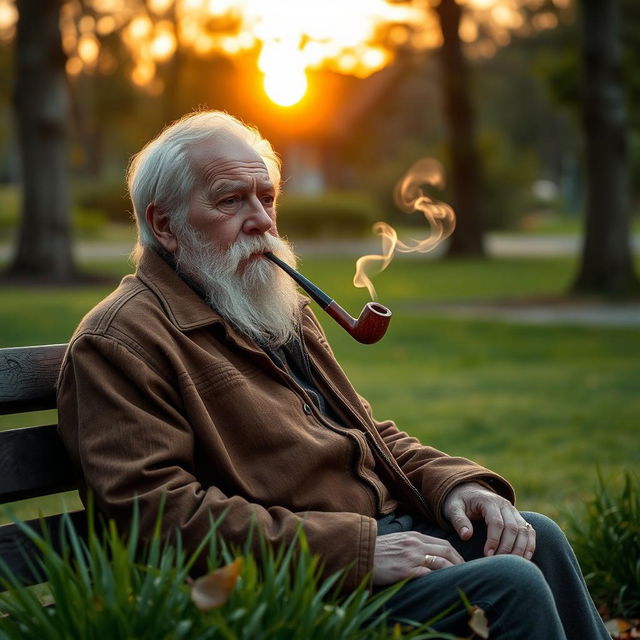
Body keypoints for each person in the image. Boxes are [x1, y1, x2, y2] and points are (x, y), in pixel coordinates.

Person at [57, 111, 609, 639]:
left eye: (267, 197)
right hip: (289, 584)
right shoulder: (120, 342)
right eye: (231, 200)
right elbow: (155, 517)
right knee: (506, 583)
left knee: (540, 540)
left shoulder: (267, 307)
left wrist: (455, 485)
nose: (262, 220)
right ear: (164, 224)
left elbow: (364, 433)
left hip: (369, 545)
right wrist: (358, 550)